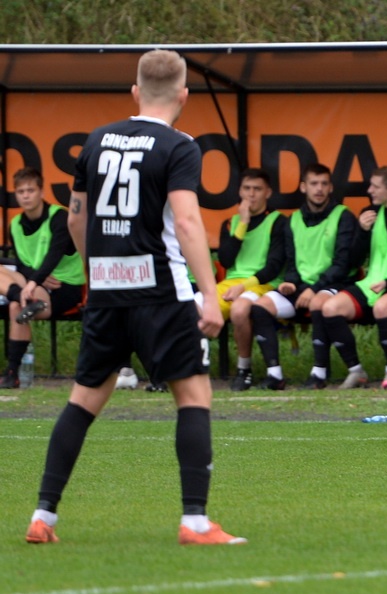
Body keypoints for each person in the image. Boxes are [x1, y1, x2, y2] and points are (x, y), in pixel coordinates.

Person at [25, 49, 246, 544]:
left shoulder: (96, 142)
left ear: (135, 91)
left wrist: (94, 274)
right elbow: (188, 222)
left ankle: (43, 517)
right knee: (193, 396)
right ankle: (194, 521)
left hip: (106, 290)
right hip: (161, 291)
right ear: (184, 95)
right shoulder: (180, 146)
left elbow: (76, 219)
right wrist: (210, 294)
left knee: (82, 402)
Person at [249, 163, 357, 389]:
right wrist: (290, 282)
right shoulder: (293, 220)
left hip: (333, 285)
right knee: (260, 307)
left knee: (318, 302)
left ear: (330, 188)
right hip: (302, 288)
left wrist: (314, 288)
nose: (319, 189)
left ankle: (319, 373)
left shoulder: (343, 216)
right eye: (314, 184)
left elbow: (342, 264)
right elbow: (291, 262)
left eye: (324, 184)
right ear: (303, 187)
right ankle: (275, 376)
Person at [317, 165, 387, 388]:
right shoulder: (370, 212)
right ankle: (356, 370)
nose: (370, 190)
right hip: (372, 282)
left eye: (375, 186)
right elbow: (353, 262)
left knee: (383, 307)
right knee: (329, 308)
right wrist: (362, 232)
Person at [0, 167, 85, 388]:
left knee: (15, 308)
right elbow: (21, 264)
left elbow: (54, 255)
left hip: (64, 287)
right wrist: (35, 281)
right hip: (34, 287)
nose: (26, 196)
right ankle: (12, 374)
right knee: (17, 302)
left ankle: (12, 373)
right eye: (21, 192)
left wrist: (37, 279)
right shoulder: (15, 225)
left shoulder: (60, 217)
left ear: (40, 191)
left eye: (30, 190)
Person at [213, 168, 287, 391]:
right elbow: (225, 260)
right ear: (240, 191)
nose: (251, 194)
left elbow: (274, 267)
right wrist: (242, 224)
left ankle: (243, 369)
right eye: (247, 189)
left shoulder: (278, 221)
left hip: (263, 283)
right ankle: (188, 368)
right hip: (231, 282)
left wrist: (243, 287)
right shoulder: (231, 223)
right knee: (194, 309)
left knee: (239, 310)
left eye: (257, 189)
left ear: (268, 193)